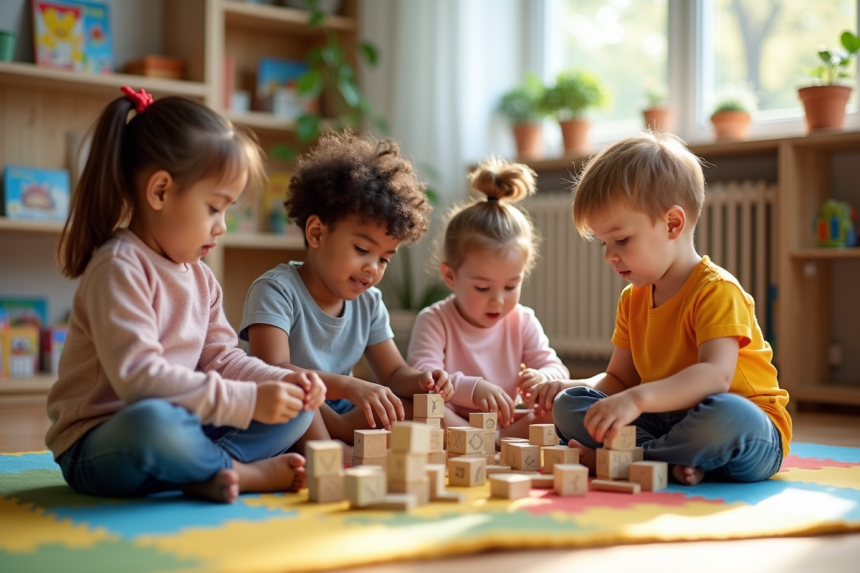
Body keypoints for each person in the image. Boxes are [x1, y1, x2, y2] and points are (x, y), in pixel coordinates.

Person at [47, 87, 326, 504]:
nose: (222, 226)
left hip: (182, 427)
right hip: (103, 441)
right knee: (156, 423)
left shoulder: (200, 276)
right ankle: (235, 472)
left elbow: (222, 359)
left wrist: (282, 381)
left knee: (298, 408)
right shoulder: (118, 267)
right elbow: (140, 381)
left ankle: (204, 471)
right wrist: (248, 400)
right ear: (160, 191)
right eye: (215, 208)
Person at [531, 131, 791, 484]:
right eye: (604, 243)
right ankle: (669, 461)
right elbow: (619, 379)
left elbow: (716, 377)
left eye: (621, 240)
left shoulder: (716, 291)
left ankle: (632, 459)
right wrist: (571, 384)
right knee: (569, 405)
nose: (609, 255)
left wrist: (636, 400)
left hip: (745, 432)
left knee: (730, 414)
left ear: (672, 223)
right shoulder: (632, 299)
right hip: (667, 422)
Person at [239, 131, 452, 447]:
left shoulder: (370, 302)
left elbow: (393, 373)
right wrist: (350, 386)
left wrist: (422, 380)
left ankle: (337, 440)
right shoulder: (276, 290)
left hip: (339, 409)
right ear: (316, 233)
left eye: (385, 259)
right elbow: (274, 371)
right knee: (301, 403)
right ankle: (331, 459)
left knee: (410, 408)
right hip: (286, 404)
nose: (373, 268)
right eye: (362, 250)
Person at [407, 156, 569, 437]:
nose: (498, 300)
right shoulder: (434, 320)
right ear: (450, 277)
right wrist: (473, 389)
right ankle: (483, 441)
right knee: (415, 405)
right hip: (453, 422)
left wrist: (545, 378)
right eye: (482, 288)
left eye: (510, 286)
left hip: (507, 424)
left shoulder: (522, 320)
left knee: (564, 404)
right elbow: (425, 378)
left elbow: (556, 368)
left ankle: (495, 442)